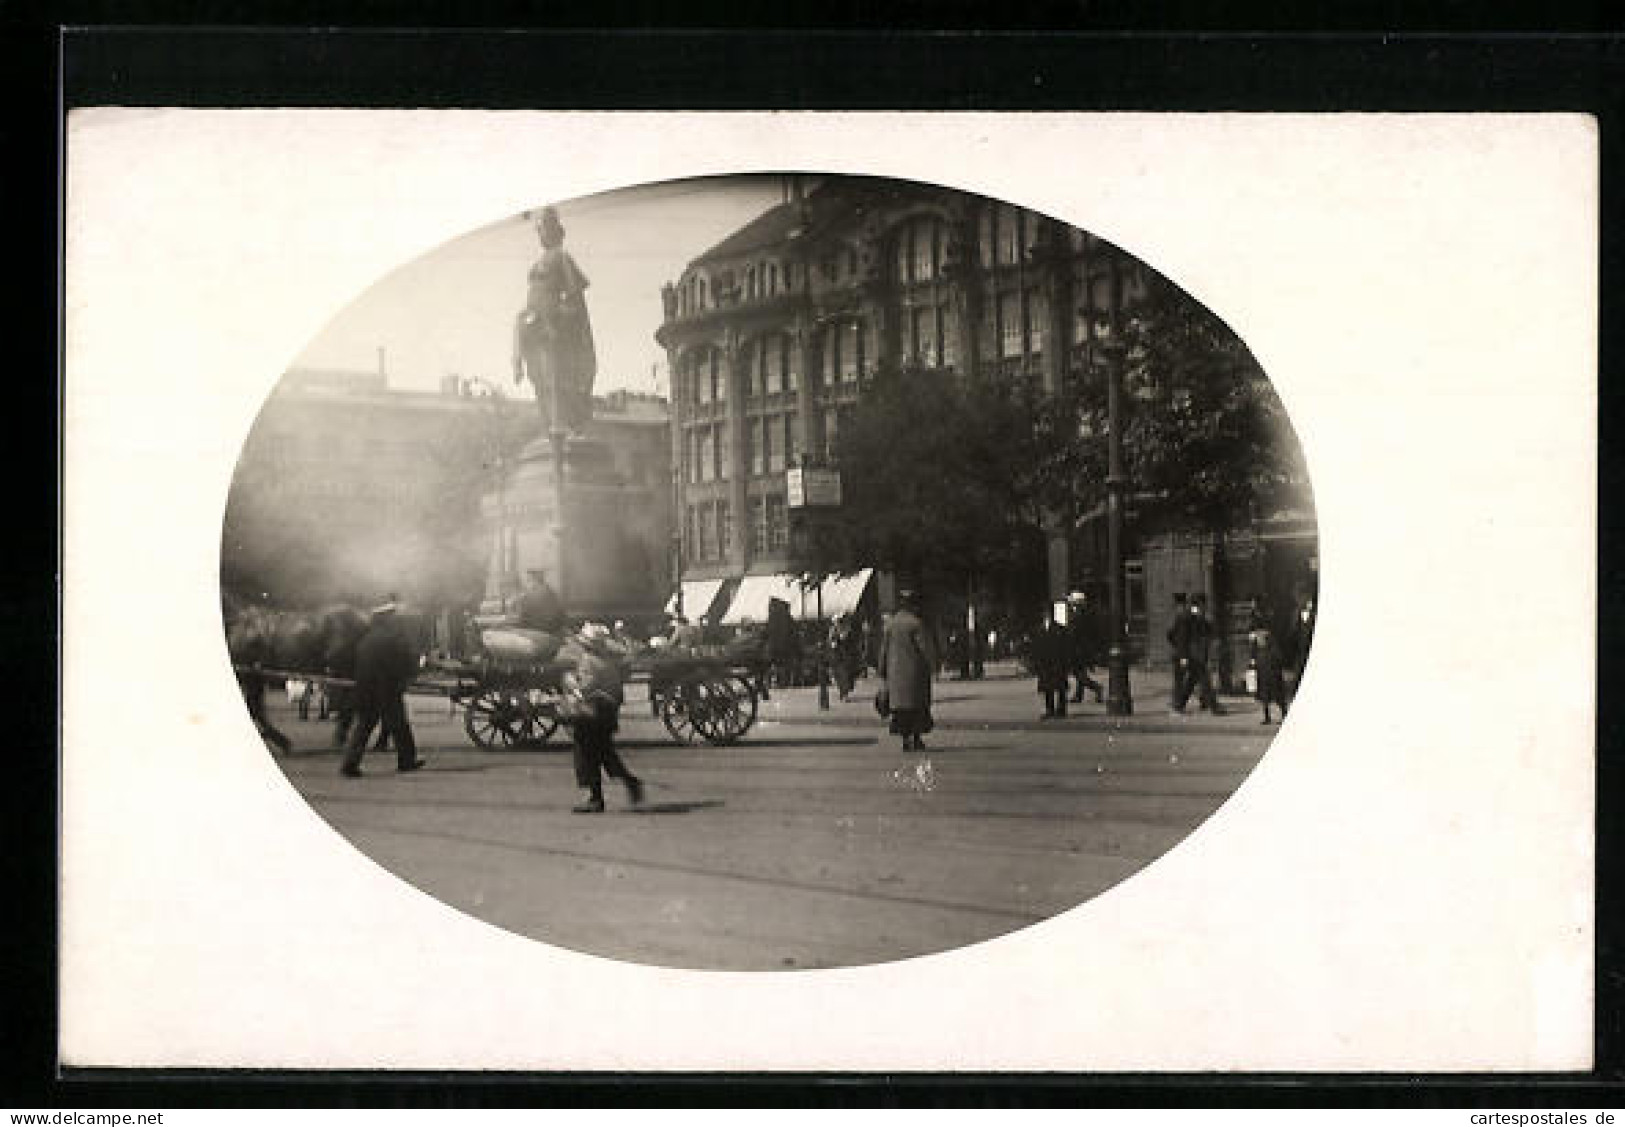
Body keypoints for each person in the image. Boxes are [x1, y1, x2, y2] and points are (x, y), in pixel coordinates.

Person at [512, 206, 597, 435]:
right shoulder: (537, 264)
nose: (542, 234)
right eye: (540, 230)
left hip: (554, 329)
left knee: (556, 379)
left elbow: (574, 296)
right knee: (541, 380)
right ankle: (550, 425)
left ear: (556, 232)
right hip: (535, 327)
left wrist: (558, 318)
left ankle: (561, 426)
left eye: (546, 229)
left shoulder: (562, 257)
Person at [562, 623, 644, 814]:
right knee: (605, 754)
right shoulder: (607, 662)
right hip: (607, 712)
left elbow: (586, 687)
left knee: (586, 754)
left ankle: (595, 799)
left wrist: (570, 682)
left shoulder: (588, 661)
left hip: (592, 713)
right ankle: (630, 782)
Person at [339, 599, 425, 777]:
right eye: (392, 617)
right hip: (387, 690)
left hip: (366, 691)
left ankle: (349, 764)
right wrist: (410, 674)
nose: (395, 620)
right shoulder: (392, 639)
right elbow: (403, 662)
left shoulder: (366, 640)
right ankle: (406, 760)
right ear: (386, 619)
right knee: (400, 726)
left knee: (363, 728)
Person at [878, 589, 934, 752]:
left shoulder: (890, 625)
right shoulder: (916, 623)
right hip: (915, 673)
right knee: (916, 707)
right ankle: (916, 739)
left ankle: (905, 739)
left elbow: (884, 650)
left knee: (901, 710)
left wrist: (882, 669)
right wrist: (932, 665)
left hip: (895, 675)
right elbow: (924, 649)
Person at [1170, 593, 1223, 715]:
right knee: (1203, 680)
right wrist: (1183, 655)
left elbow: (1208, 629)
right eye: (1202, 605)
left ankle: (1179, 705)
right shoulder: (1186, 618)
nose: (1204, 609)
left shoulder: (1198, 618)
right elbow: (1180, 638)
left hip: (1195, 655)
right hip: (1188, 655)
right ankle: (1214, 707)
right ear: (1198, 605)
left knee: (1192, 681)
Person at [1248, 599, 1289, 725]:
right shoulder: (1259, 620)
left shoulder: (1264, 622)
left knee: (1270, 690)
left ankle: (1277, 714)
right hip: (1265, 661)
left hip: (1267, 661)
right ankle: (1274, 714)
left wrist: (1254, 657)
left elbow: (1258, 643)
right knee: (1269, 690)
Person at [1067, 592, 1105, 705]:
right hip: (1083, 649)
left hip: (1079, 649)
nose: (1070, 604)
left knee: (1078, 673)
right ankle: (1079, 695)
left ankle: (1097, 688)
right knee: (1080, 672)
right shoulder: (1082, 614)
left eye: (1072, 602)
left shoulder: (1079, 615)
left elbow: (1075, 633)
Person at [1034, 613, 1071, 720]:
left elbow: (1065, 647)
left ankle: (1061, 709)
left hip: (1057, 662)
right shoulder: (1040, 630)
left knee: (1059, 686)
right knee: (1048, 687)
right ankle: (1050, 709)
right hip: (1046, 663)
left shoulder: (1060, 629)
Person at [1285, 594, 1318, 704]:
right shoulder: (1298, 615)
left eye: (1310, 602)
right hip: (1300, 651)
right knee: (1299, 673)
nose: (1309, 604)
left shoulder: (1315, 615)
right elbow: (1293, 633)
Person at [513, 568, 566, 634]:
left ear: (534, 581)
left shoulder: (529, 596)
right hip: (554, 631)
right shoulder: (550, 592)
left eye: (527, 581)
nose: (525, 585)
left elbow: (522, 619)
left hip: (541, 632)